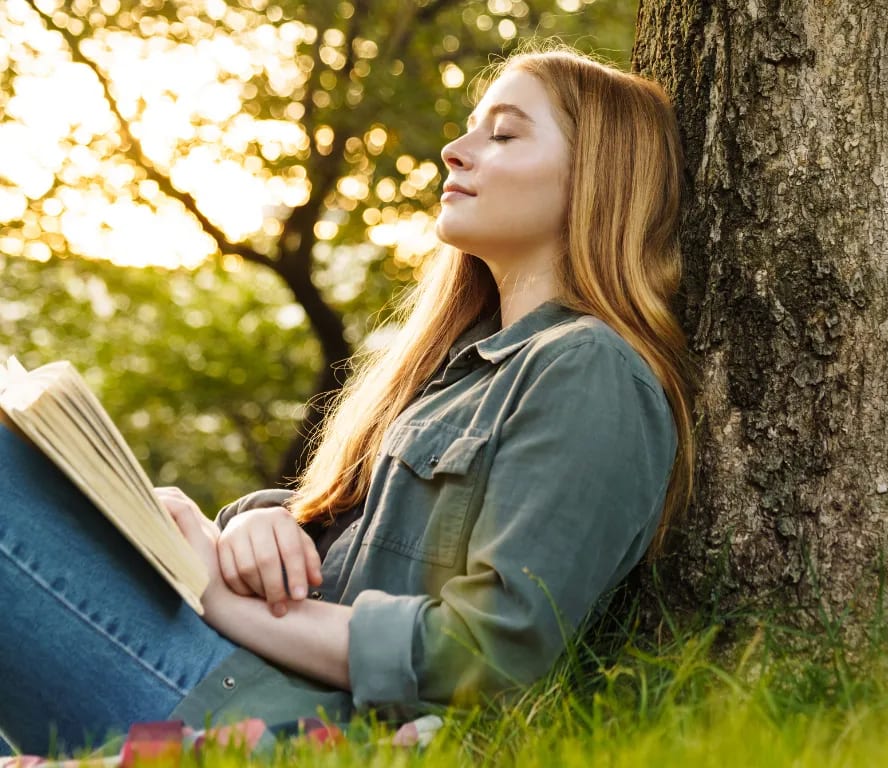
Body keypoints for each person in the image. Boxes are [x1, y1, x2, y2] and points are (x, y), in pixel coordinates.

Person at [0, 47, 695, 756]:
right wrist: (261, 529)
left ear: (597, 179)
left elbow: (492, 654)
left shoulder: (588, 371)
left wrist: (223, 598)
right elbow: (352, 538)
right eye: (469, 129)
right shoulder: (448, 368)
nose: (455, 152)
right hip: (238, 673)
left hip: (278, 716)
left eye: (504, 134)